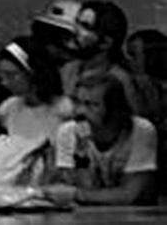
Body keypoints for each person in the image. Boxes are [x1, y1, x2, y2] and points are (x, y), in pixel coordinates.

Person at [44, 73, 158, 205]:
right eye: (78, 103)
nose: (80, 111)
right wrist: (82, 151)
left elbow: (129, 195)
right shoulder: (68, 131)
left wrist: (76, 194)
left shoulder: (141, 129)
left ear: (113, 108)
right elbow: (84, 188)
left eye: (91, 105)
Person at [59, 0, 145, 117]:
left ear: (105, 42)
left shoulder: (120, 81)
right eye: (76, 22)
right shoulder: (67, 70)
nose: (74, 29)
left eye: (85, 26)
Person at [0, 36, 73, 142]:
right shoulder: (7, 109)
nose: (4, 82)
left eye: (11, 75)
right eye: (3, 75)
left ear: (33, 74)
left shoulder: (65, 110)